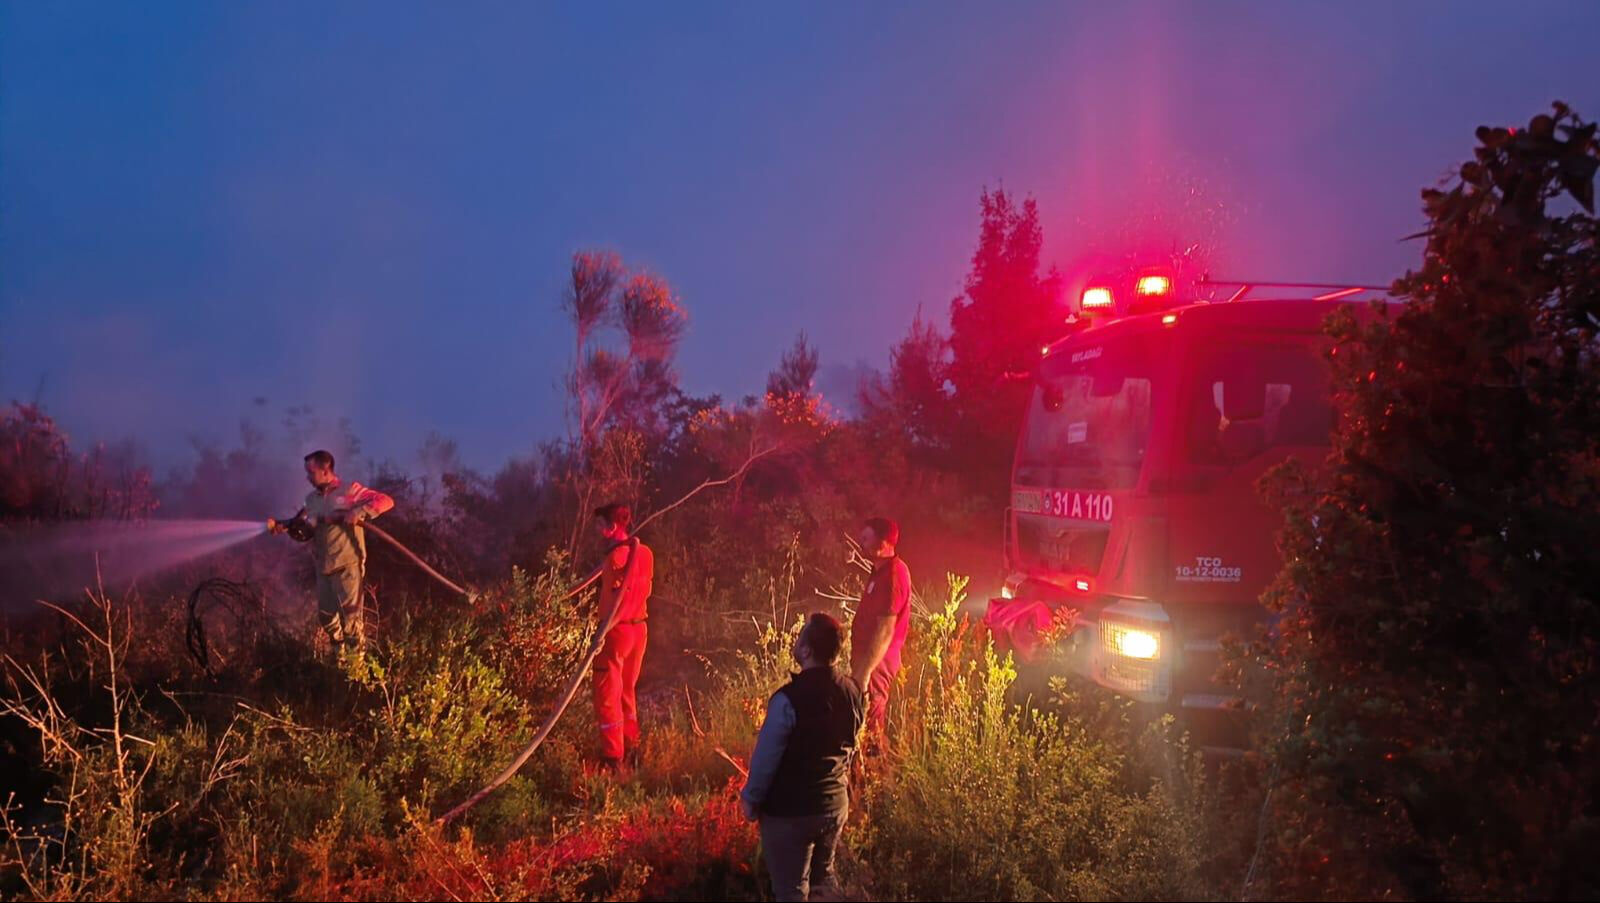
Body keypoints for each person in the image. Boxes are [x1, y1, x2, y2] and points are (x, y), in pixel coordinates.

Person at [740, 612, 864, 903]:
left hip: (790, 814)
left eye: (800, 638)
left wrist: (751, 799)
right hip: (834, 806)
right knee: (824, 883)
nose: (796, 643)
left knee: (791, 893)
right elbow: (850, 745)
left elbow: (766, 759)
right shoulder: (853, 692)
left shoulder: (787, 700)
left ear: (806, 650)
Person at [269, 450, 394, 650]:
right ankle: (339, 656)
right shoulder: (311, 500)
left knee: (351, 621)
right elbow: (302, 525)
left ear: (326, 471)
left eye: (311, 472)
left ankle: (355, 669)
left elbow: (386, 501)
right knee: (326, 617)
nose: (308, 477)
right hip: (324, 566)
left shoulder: (350, 491)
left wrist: (358, 511)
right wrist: (283, 526)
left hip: (348, 564)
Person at [590, 503, 654, 769]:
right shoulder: (645, 553)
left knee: (607, 693)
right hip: (639, 630)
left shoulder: (615, 558)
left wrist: (601, 633)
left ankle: (612, 757)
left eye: (601, 524)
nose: (598, 529)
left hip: (616, 632)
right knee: (627, 690)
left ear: (612, 525)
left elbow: (619, 599)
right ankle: (633, 747)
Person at [848, 516, 912, 750]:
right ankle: (863, 773)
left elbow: (886, 631)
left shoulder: (893, 576)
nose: (860, 542)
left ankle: (876, 778)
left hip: (877, 663)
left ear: (884, 543)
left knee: (871, 721)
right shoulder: (879, 571)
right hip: (868, 661)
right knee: (862, 719)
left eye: (866, 538)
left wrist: (865, 672)